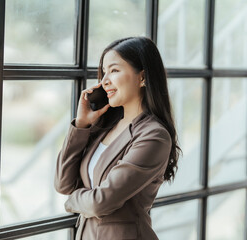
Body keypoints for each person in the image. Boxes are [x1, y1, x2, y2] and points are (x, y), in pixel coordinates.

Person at [54, 37, 182, 240]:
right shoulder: (105, 126)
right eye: (104, 72)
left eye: (114, 70)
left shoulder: (154, 136)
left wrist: (73, 200)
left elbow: (101, 202)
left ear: (142, 77)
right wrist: (82, 125)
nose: (104, 80)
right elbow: (63, 183)